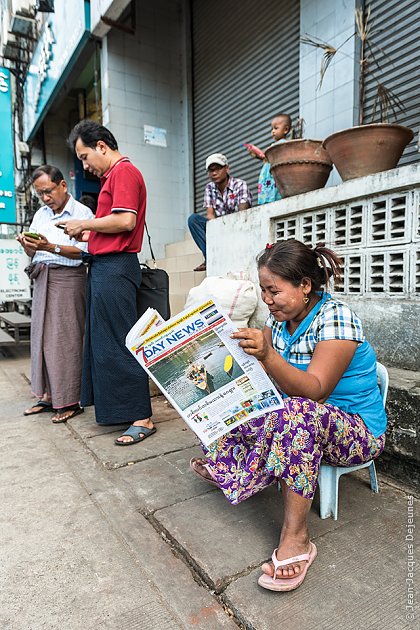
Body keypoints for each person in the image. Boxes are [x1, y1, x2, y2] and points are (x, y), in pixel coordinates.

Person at [190, 239, 387, 592]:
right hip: (306, 421)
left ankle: (297, 537)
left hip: (356, 432)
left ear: (305, 286)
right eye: (263, 290)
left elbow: (315, 391)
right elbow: (265, 376)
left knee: (296, 413)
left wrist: (268, 356)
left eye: (273, 290)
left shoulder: (335, 318)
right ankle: (230, 464)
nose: (266, 299)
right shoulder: (280, 320)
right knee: (240, 401)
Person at [60, 120, 155, 446]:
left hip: (116, 268)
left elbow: (126, 220)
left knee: (120, 341)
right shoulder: (113, 177)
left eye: (85, 156)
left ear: (102, 146)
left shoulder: (124, 172)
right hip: (105, 266)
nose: (85, 165)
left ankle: (142, 417)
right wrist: (86, 231)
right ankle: (121, 411)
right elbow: (113, 225)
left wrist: (84, 223)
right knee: (104, 342)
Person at [17, 165, 93, 423]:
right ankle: (48, 395)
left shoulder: (83, 213)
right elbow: (36, 253)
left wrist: (49, 246)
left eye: (48, 191)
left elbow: (83, 252)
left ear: (63, 185)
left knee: (66, 340)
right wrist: (29, 245)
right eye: (40, 194)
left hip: (69, 279)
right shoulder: (41, 214)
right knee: (41, 338)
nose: (45, 198)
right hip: (43, 277)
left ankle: (70, 399)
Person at [188, 153, 252, 272]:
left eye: (218, 169)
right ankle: (209, 257)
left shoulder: (240, 184)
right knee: (193, 220)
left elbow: (243, 215)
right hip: (220, 227)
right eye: (211, 170)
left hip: (237, 227)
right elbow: (210, 214)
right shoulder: (209, 188)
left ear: (227, 168)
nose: (214, 173)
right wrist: (216, 233)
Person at [247, 113, 291, 205]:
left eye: (276, 128)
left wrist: (259, 152)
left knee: (272, 194)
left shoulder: (282, 144)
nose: (273, 132)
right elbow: (267, 159)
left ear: (286, 130)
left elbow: (270, 157)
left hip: (272, 176)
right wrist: (258, 155)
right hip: (268, 176)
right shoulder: (275, 145)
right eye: (272, 129)